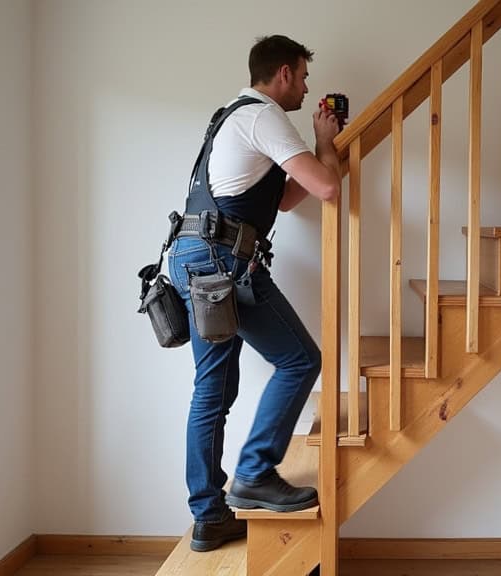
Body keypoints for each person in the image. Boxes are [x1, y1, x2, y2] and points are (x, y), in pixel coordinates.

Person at [167, 35, 342, 553]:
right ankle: (255, 473)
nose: (307, 89)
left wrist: (318, 147)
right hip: (221, 262)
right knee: (300, 360)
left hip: (194, 258)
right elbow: (327, 188)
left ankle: (209, 517)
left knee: (212, 391)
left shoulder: (233, 115)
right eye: (304, 78)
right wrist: (326, 147)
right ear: (283, 73)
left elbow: (289, 199)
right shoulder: (263, 115)